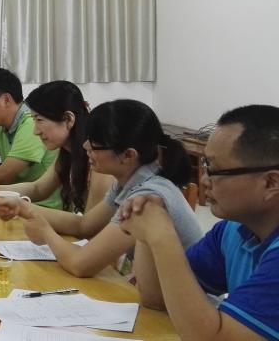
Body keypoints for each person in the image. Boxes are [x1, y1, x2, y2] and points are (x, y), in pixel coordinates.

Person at [120, 105, 279, 338]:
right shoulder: (232, 230)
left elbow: (213, 338)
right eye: (205, 165)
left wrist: (163, 237)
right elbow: (157, 297)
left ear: (271, 183)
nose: (204, 180)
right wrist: (149, 220)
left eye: (215, 170)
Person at [13, 99, 203, 280]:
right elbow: (84, 225)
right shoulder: (127, 182)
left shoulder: (145, 197)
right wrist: (22, 207)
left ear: (128, 155)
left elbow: (81, 264)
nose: (85, 146)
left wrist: (47, 234)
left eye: (94, 144)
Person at [0, 81, 112, 216]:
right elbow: (38, 189)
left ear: (68, 119)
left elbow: (88, 225)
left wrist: (23, 208)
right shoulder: (67, 152)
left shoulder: (100, 162)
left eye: (39, 120)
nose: (36, 131)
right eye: (34, 120)